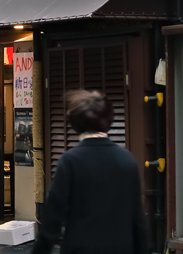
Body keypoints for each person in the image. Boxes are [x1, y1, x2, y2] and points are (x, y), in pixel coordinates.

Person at [32, 90, 148, 254]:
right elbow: (138, 219)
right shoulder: (127, 160)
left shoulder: (70, 161)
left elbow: (53, 217)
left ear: (74, 123)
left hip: (80, 248)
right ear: (108, 120)